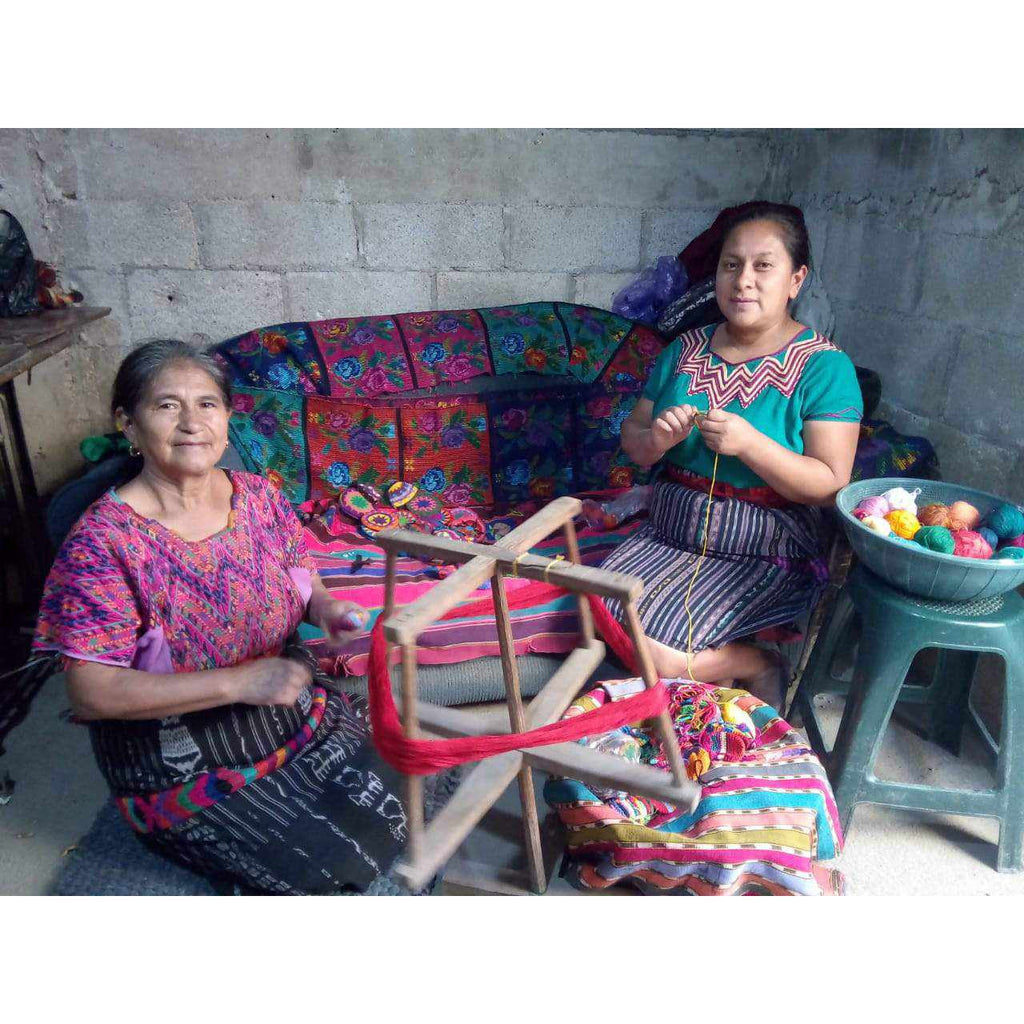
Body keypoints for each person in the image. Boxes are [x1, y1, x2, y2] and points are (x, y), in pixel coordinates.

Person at [33, 339, 412, 894]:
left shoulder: (257, 496)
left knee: (408, 777)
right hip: (179, 757)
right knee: (333, 863)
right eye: (167, 406)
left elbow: (301, 575)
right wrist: (239, 682)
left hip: (293, 714)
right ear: (128, 424)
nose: (192, 423)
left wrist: (326, 608)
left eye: (207, 404)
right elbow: (91, 694)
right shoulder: (102, 543)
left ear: (228, 419)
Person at [604, 202, 862, 704]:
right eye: (730, 265)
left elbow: (831, 484)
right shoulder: (683, 350)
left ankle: (754, 662)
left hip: (764, 545)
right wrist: (657, 440)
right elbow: (633, 442)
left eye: (764, 265)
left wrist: (751, 445)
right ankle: (717, 671)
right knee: (601, 609)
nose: (743, 280)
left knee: (655, 649)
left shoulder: (825, 368)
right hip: (672, 529)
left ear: (796, 278)